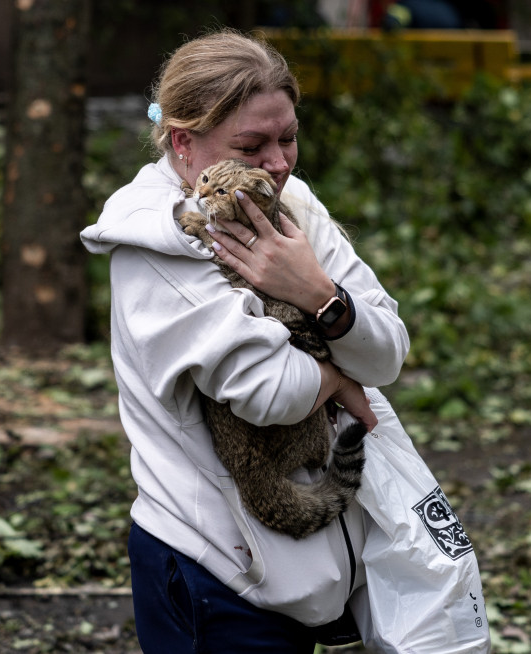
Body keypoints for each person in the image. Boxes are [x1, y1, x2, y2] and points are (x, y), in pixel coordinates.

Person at [80, 29, 410, 653]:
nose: (280, 163)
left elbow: (388, 350)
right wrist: (340, 377)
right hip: (219, 575)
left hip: (299, 572)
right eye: (251, 145)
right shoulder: (155, 247)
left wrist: (317, 293)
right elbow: (273, 393)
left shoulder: (293, 204)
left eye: (287, 137)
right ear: (184, 141)